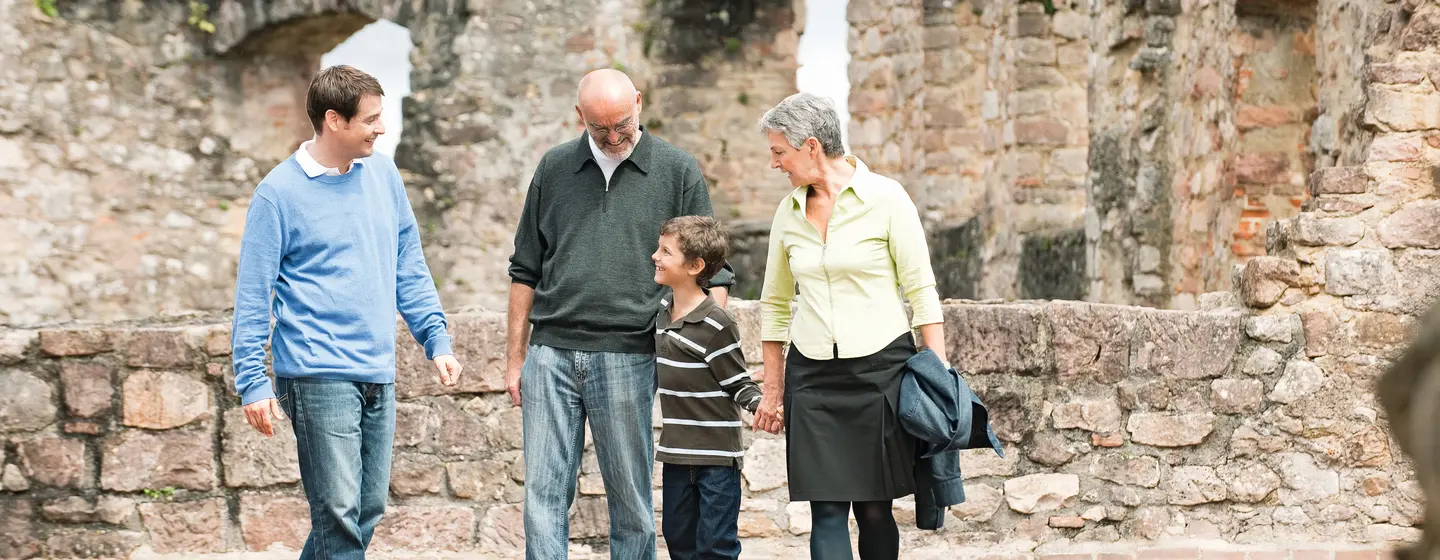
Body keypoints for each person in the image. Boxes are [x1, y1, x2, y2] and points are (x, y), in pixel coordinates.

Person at [231, 64, 463, 560]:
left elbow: (408, 261)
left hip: (377, 369)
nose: (382, 129)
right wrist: (252, 380)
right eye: (371, 120)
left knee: (365, 510)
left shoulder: (383, 173)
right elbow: (254, 293)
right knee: (337, 512)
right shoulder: (277, 195)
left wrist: (434, 337)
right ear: (334, 120)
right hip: (317, 374)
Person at [506, 68, 736, 560]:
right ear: (579, 117)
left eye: (622, 124)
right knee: (542, 498)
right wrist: (515, 360)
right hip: (550, 354)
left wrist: (701, 352)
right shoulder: (553, 168)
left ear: (638, 101)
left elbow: (712, 272)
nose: (613, 138)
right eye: (599, 128)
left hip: (631, 356)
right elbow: (524, 268)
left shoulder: (677, 169)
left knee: (631, 502)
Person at [749, 92, 947, 560]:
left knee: (875, 509)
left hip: (881, 374)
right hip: (813, 378)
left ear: (811, 146)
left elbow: (921, 291)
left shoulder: (887, 198)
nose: (775, 164)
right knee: (827, 511)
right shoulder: (788, 212)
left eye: (780, 152)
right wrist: (774, 390)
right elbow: (775, 304)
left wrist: (938, 374)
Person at [650, 216, 762, 560]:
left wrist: (768, 407)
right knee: (678, 539)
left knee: (716, 546)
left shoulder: (717, 322)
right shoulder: (663, 313)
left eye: (665, 251)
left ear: (694, 266)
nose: (655, 255)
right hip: (677, 454)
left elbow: (738, 383)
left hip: (716, 458)